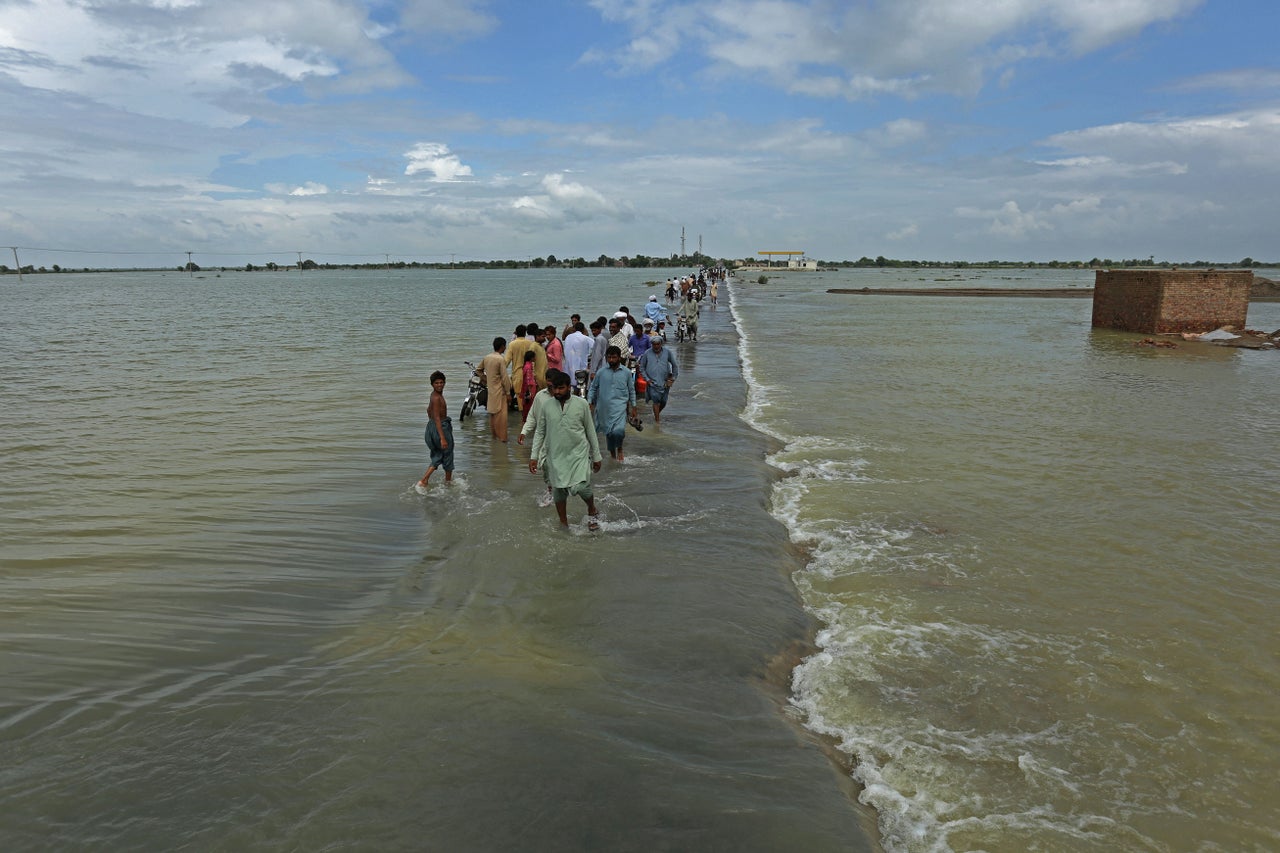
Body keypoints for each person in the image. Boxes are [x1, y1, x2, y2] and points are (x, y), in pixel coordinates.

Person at [529, 371, 603, 530]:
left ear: (569, 387)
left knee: (582, 488)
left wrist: (597, 456)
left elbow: (590, 431)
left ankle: (591, 509)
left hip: (578, 453)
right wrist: (534, 456)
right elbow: (540, 431)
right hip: (555, 455)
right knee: (559, 491)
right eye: (554, 388)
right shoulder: (547, 406)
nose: (557, 392)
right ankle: (563, 524)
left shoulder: (581, 404)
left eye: (561, 388)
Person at [587, 345, 637, 462]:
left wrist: (634, 406)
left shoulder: (626, 372)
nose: (611, 360)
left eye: (614, 357)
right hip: (604, 409)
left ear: (619, 358)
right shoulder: (601, 372)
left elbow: (631, 390)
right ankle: (613, 456)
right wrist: (589, 402)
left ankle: (619, 448)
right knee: (609, 433)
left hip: (620, 408)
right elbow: (593, 388)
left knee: (618, 432)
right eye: (609, 357)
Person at [417, 370, 453, 489]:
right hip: (440, 427)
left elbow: (428, 410)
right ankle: (447, 483)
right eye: (436, 383)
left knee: (438, 454)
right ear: (432, 384)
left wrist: (432, 427)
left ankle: (425, 480)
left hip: (432, 427)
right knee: (447, 454)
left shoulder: (433, 395)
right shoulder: (437, 398)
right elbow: (437, 418)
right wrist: (442, 437)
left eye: (441, 382)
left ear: (445, 383)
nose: (439, 385)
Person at [637, 334, 678, 424]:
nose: (656, 346)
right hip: (652, 383)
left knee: (663, 401)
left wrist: (673, 378)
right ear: (652, 344)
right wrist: (647, 379)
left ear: (661, 344)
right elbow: (642, 367)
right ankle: (657, 422)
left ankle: (655, 415)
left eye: (657, 344)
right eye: (654, 344)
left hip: (665, 382)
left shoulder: (667, 352)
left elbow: (674, 365)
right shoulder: (647, 353)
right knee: (656, 401)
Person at [482, 336, 513, 442]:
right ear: (502, 346)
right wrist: (508, 392)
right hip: (500, 392)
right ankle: (502, 439)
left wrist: (486, 379)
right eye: (505, 346)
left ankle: (495, 437)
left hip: (491, 391)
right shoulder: (500, 359)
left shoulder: (487, 357)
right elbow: (504, 378)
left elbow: (478, 370)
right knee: (502, 417)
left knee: (493, 416)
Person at [563, 321, 593, 393]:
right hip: (581, 367)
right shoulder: (585, 338)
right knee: (580, 384)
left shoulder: (568, 337)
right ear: (583, 329)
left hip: (568, 365)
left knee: (570, 381)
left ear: (574, 329)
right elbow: (595, 347)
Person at [519, 350, 538, 423]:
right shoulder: (528, 367)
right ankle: (527, 422)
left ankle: (525, 421)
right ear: (531, 358)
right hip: (529, 390)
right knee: (529, 406)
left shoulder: (526, 366)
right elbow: (529, 380)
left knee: (526, 407)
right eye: (534, 357)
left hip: (526, 389)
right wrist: (530, 392)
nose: (535, 358)